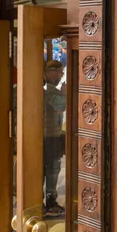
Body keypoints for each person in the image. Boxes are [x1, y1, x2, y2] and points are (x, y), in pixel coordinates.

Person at [43, 60, 66, 217]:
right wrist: (65, 94)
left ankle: (49, 200)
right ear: (47, 72)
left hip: (53, 136)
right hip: (47, 137)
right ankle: (48, 202)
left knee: (53, 169)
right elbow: (61, 105)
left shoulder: (53, 90)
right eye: (56, 71)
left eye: (61, 72)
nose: (60, 74)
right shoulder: (48, 91)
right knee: (50, 170)